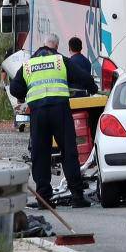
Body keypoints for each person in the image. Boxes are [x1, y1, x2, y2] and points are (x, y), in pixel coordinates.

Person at [10, 34, 98, 209]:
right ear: (55, 47)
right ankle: (77, 197)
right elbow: (84, 77)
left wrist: (22, 96)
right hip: (60, 111)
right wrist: (93, 88)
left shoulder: (28, 65)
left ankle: (44, 198)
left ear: (42, 46)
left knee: (40, 154)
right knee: (69, 152)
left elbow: (15, 88)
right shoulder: (60, 61)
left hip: (38, 113)